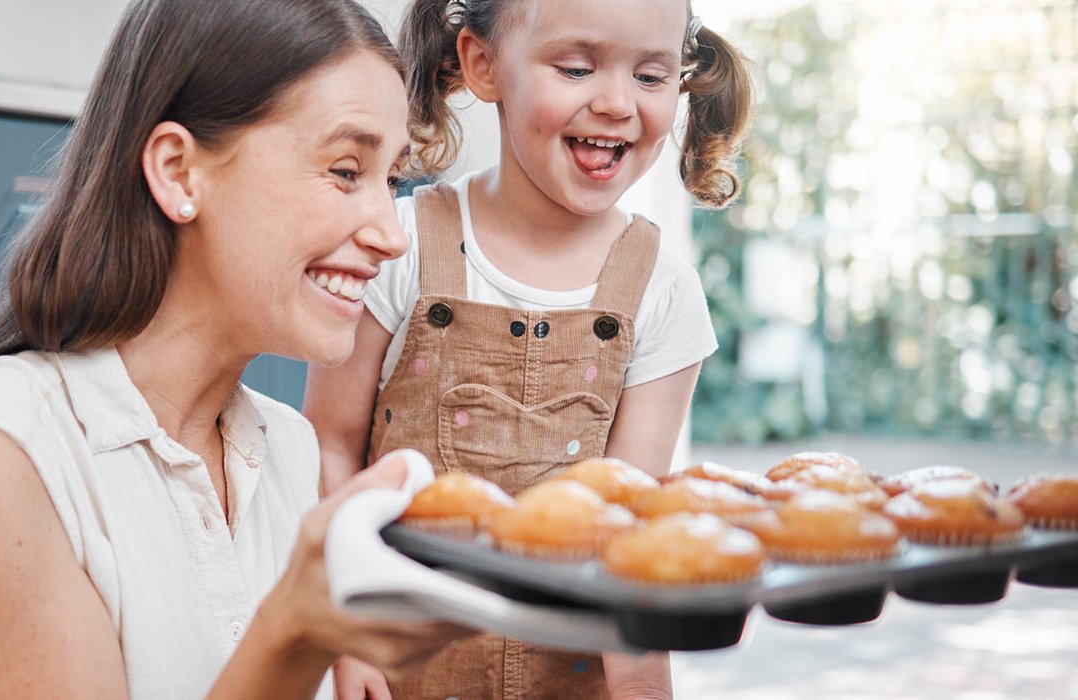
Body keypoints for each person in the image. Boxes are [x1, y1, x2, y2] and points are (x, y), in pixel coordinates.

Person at [0, 0, 472, 697]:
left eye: (391, 181)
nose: (391, 234)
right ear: (178, 171)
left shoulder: (288, 451)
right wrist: (294, 632)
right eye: (344, 170)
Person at [302, 0, 755, 696]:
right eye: (576, 68)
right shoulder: (398, 246)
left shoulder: (664, 295)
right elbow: (330, 446)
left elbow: (630, 538)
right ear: (484, 65)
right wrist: (343, 643)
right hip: (395, 672)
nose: (615, 103)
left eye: (651, 75)